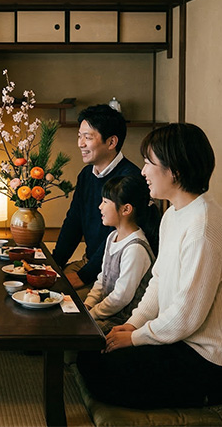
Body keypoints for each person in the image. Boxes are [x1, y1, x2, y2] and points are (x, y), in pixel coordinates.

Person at [77, 123, 222, 409]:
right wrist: (132, 324)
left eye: (149, 163)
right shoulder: (173, 214)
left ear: (176, 171)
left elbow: (186, 316)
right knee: (90, 354)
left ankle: (213, 395)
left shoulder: (203, 227)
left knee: (102, 374)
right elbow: (157, 281)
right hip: (181, 338)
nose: (143, 171)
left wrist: (136, 338)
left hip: (211, 357)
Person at [51, 104, 159, 299]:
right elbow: (73, 222)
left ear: (111, 142)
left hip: (114, 271)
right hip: (90, 262)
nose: (80, 144)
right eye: (79, 136)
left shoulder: (131, 180)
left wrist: (83, 276)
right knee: (42, 286)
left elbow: (118, 236)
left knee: (61, 301)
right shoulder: (86, 175)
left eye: (88, 137)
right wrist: (54, 263)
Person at [83, 175, 155, 333]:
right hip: (107, 313)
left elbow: (121, 297)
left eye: (105, 202)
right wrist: (88, 305)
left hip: (123, 321)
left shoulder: (135, 248)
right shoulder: (112, 236)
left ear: (126, 209)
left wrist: (92, 314)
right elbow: (102, 279)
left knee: (79, 332)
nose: (100, 207)